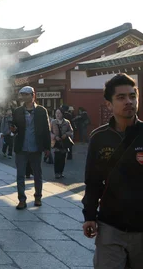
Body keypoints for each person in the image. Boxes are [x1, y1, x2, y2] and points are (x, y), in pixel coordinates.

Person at [82, 74, 143, 269]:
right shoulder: (99, 138)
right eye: (121, 97)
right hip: (111, 224)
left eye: (132, 96)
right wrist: (89, 215)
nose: (129, 102)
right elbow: (92, 180)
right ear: (109, 104)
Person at [11, 86, 51, 209]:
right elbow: (14, 127)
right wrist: (13, 129)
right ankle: (21, 199)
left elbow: (46, 130)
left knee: (37, 173)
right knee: (20, 174)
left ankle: (38, 196)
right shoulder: (17, 111)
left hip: (36, 146)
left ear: (33, 95)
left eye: (26, 94)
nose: (23, 97)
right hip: (21, 146)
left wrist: (47, 147)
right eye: (22, 94)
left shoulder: (41, 111)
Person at [51, 109, 74, 179]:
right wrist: (55, 137)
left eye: (59, 113)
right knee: (57, 158)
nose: (57, 115)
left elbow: (71, 131)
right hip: (56, 142)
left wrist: (66, 135)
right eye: (56, 113)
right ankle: (56, 173)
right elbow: (49, 132)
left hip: (64, 143)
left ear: (62, 114)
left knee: (63, 158)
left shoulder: (67, 122)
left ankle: (61, 172)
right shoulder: (53, 122)